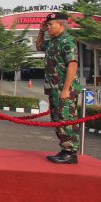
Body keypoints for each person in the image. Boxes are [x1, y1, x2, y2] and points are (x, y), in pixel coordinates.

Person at [36, 12, 82, 164]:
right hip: (54, 89)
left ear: (61, 24)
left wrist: (66, 89)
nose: (48, 27)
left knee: (67, 119)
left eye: (50, 25)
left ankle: (71, 153)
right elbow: (38, 46)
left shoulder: (66, 41)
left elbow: (72, 65)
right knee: (57, 118)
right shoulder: (53, 41)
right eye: (47, 25)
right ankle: (65, 149)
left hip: (64, 89)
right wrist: (41, 31)